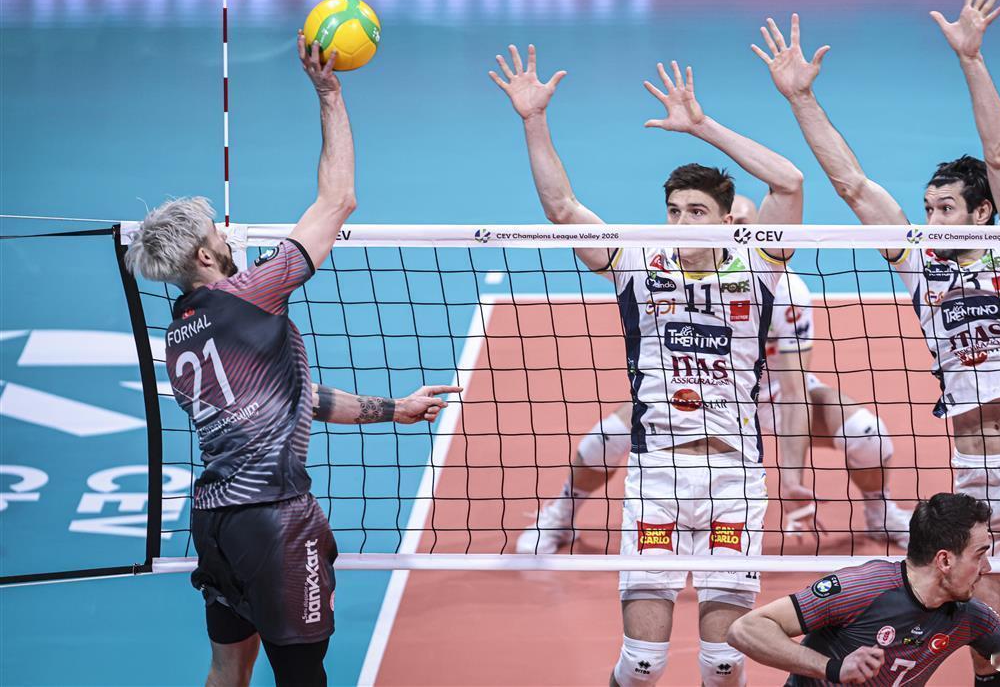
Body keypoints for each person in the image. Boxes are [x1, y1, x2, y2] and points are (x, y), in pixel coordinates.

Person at [752, 0, 1000, 687]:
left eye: (945, 208)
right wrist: (800, 98)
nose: (931, 218)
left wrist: (971, 57)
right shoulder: (919, 263)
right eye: (927, 207)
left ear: (982, 214)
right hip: (978, 478)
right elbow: (851, 185)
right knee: (990, 648)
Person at [125, 35, 461, 687]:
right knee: (302, 677)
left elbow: (293, 400)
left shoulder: (181, 335)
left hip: (215, 519)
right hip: (274, 521)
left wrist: (394, 409)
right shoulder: (251, 293)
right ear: (204, 257)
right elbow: (337, 201)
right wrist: (329, 93)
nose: (226, 234)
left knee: (228, 669)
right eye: (216, 233)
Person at [490, 44, 803, 686]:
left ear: (727, 220)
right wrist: (533, 119)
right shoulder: (638, 262)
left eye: (697, 212)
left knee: (723, 663)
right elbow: (563, 209)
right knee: (641, 665)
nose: (682, 222)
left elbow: (789, 183)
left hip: (735, 478)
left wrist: (702, 126)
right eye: (674, 211)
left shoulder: (759, 267)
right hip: (657, 474)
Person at [515, 193, 911, 555]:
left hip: (771, 393)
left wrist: (792, 478)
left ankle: (879, 511)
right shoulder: (672, 275)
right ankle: (562, 514)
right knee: (606, 438)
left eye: (746, 225)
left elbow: (795, 391)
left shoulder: (784, 290)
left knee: (868, 435)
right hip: (699, 390)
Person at [727, 492, 1000, 686]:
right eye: (980, 554)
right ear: (944, 560)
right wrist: (833, 668)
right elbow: (745, 629)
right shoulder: (861, 588)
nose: (988, 568)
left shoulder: (973, 619)